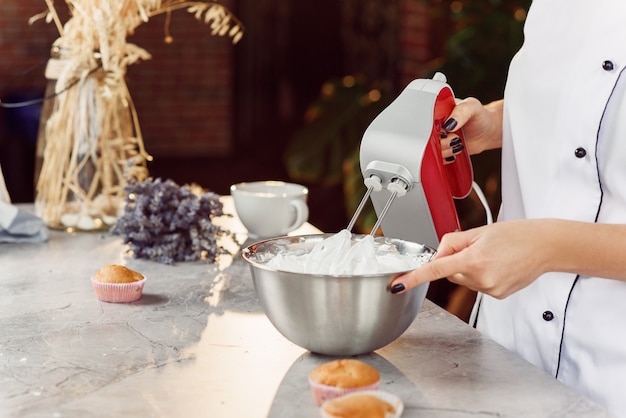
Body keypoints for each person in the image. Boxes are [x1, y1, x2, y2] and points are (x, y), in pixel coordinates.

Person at [388, 1, 626, 416]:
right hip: (508, 349)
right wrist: (499, 123)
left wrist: (550, 246)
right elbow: (587, 106)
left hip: (612, 374)